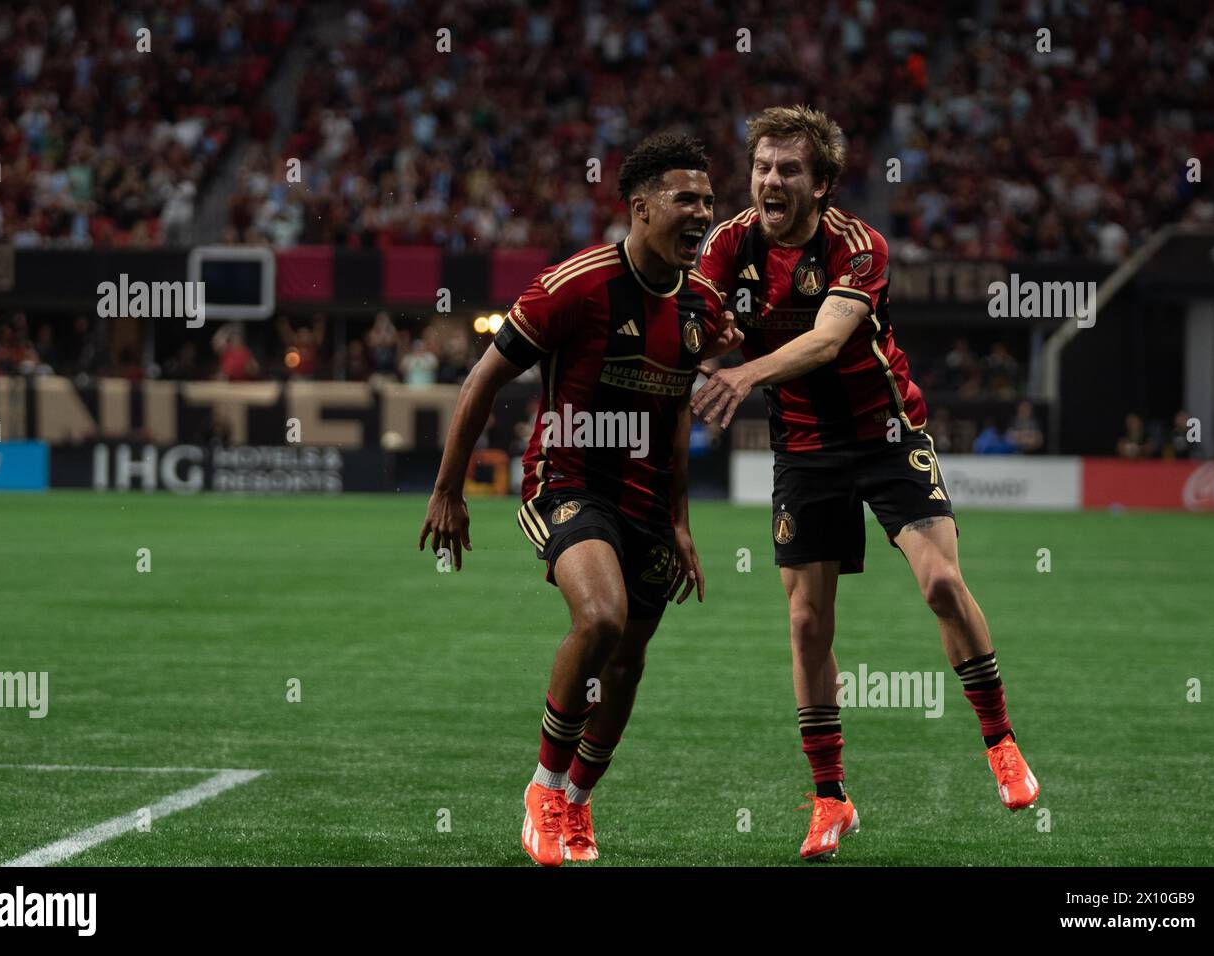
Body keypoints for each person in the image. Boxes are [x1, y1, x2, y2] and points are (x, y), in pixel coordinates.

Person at [694, 105, 1038, 861]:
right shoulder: (725, 245)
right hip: (805, 450)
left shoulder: (858, 246)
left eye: (788, 169)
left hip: (886, 434)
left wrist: (740, 370)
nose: (770, 180)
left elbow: (826, 338)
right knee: (808, 625)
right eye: (762, 167)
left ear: (821, 184)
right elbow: (692, 319)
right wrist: (702, 341)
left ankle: (1001, 742)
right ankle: (829, 799)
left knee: (942, 584)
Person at [419, 133, 739, 866]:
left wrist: (681, 521)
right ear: (641, 207)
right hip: (567, 484)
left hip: (650, 503)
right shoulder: (574, 285)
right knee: (600, 617)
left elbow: (678, 407)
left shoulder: (702, 303)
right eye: (686, 200)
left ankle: (578, 804)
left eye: (710, 203)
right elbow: (482, 380)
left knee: (627, 663)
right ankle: (542, 788)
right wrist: (448, 490)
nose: (702, 214)